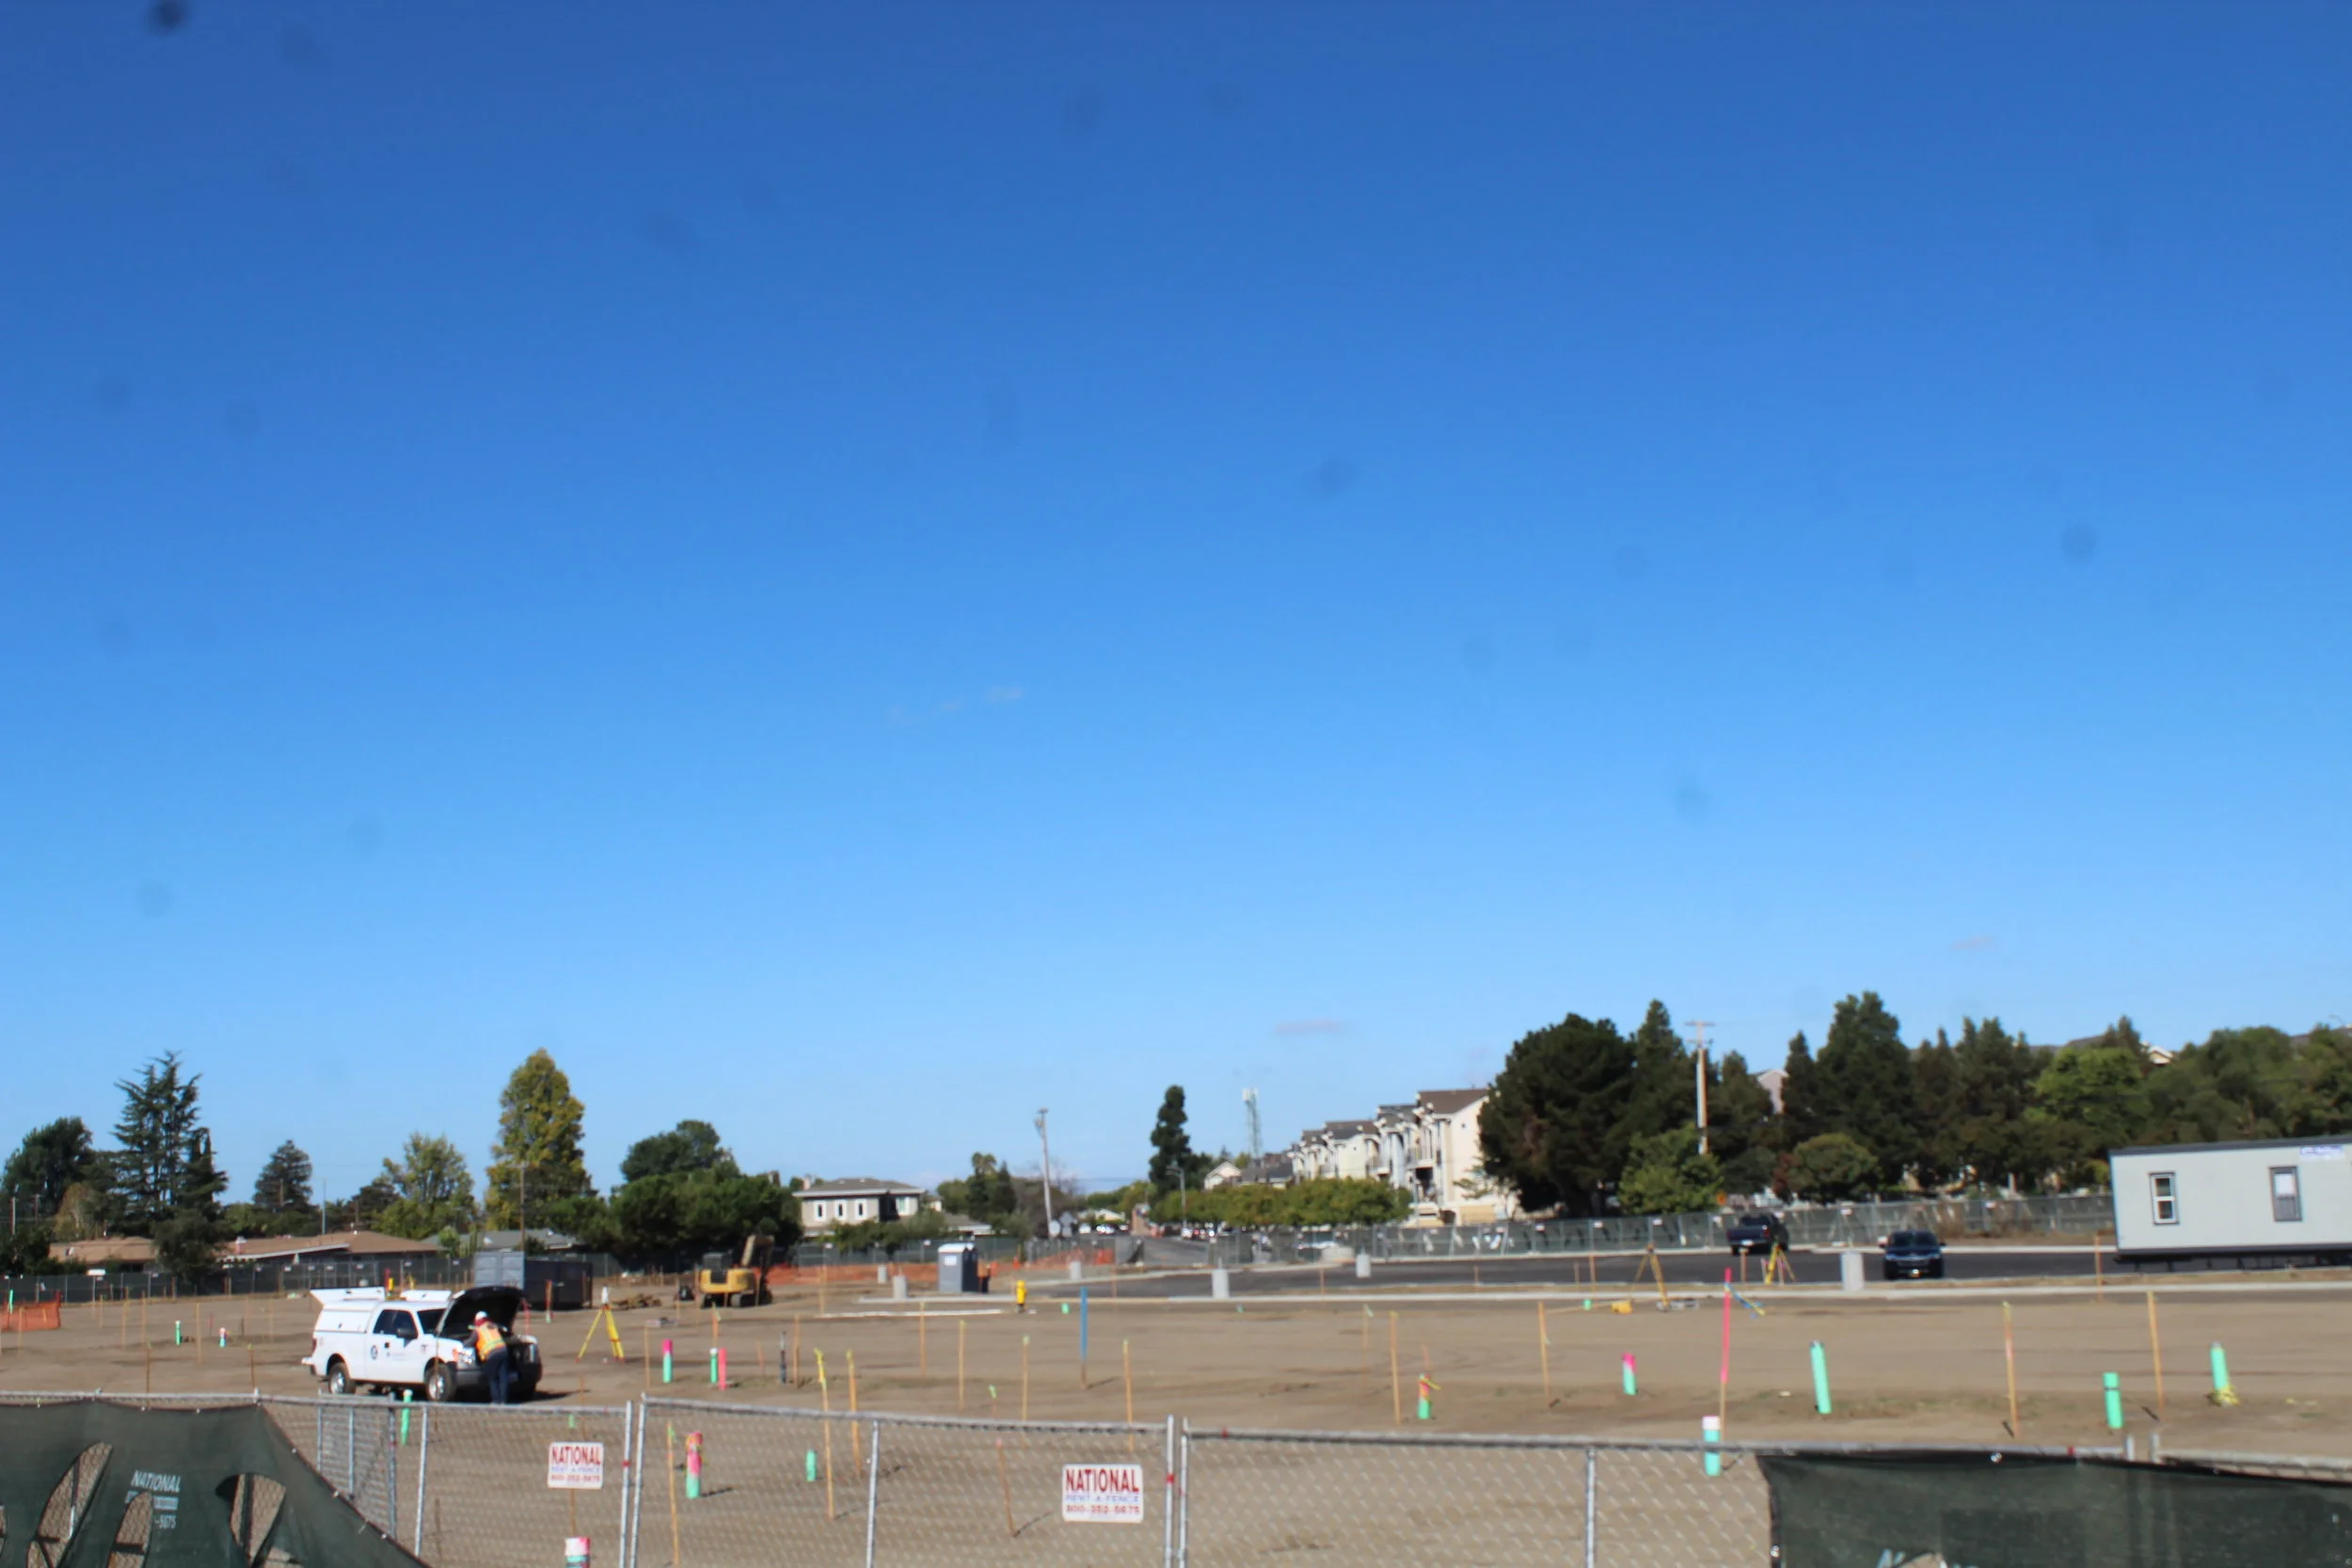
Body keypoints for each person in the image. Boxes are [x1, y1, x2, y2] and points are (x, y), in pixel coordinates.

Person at [472, 1310, 511, 1404]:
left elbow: (470, 1341)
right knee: (503, 1377)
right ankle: (504, 1400)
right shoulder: (493, 1326)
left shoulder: (479, 1330)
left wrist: (462, 1344)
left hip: (492, 1355)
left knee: (492, 1378)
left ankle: (496, 1400)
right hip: (504, 1351)